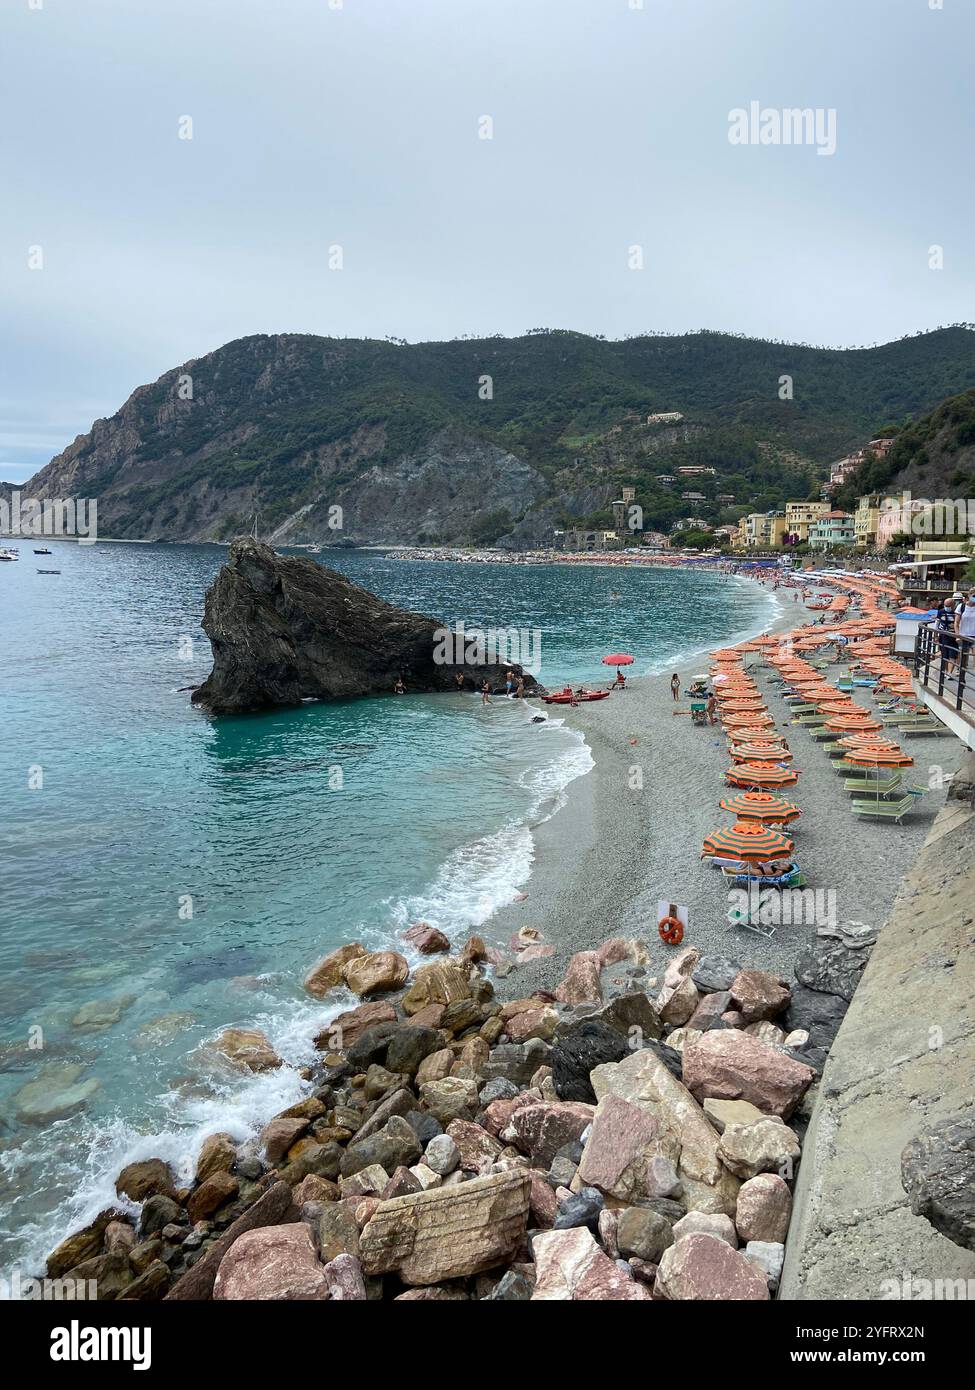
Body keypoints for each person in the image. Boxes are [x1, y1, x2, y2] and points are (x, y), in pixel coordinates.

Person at [936, 597, 958, 677]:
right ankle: (945, 671)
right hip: (943, 635)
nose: (947, 607)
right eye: (945, 605)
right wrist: (936, 634)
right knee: (944, 655)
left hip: (954, 636)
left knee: (952, 655)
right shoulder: (941, 611)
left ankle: (949, 673)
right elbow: (937, 622)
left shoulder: (957, 612)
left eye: (948, 606)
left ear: (953, 605)